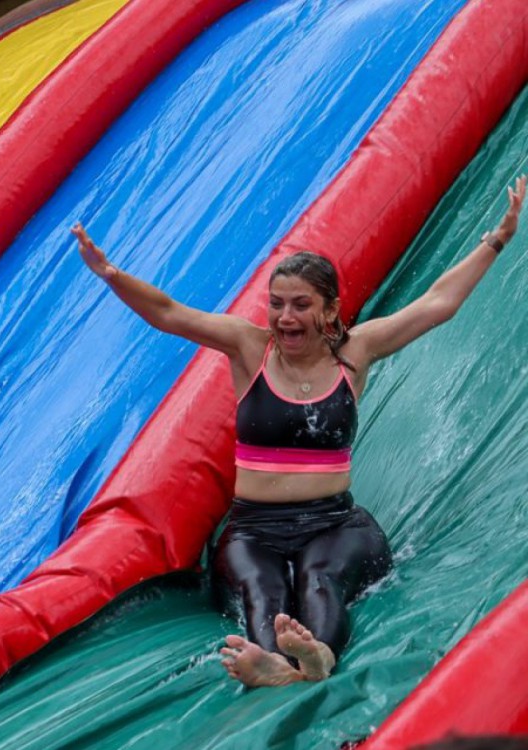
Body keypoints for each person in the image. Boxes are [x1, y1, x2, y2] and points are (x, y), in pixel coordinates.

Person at [72, 175, 525, 688]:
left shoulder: (356, 353)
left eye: (301, 305)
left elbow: (437, 304)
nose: (286, 316)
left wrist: (497, 239)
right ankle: (277, 664)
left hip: (333, 522)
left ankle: (317, 659)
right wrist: (111, 274)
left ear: (329, 310)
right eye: (278, 303)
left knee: (320, 581)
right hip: (254, 527)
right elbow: (169, 313)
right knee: (264, 589)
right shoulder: (250, 347)